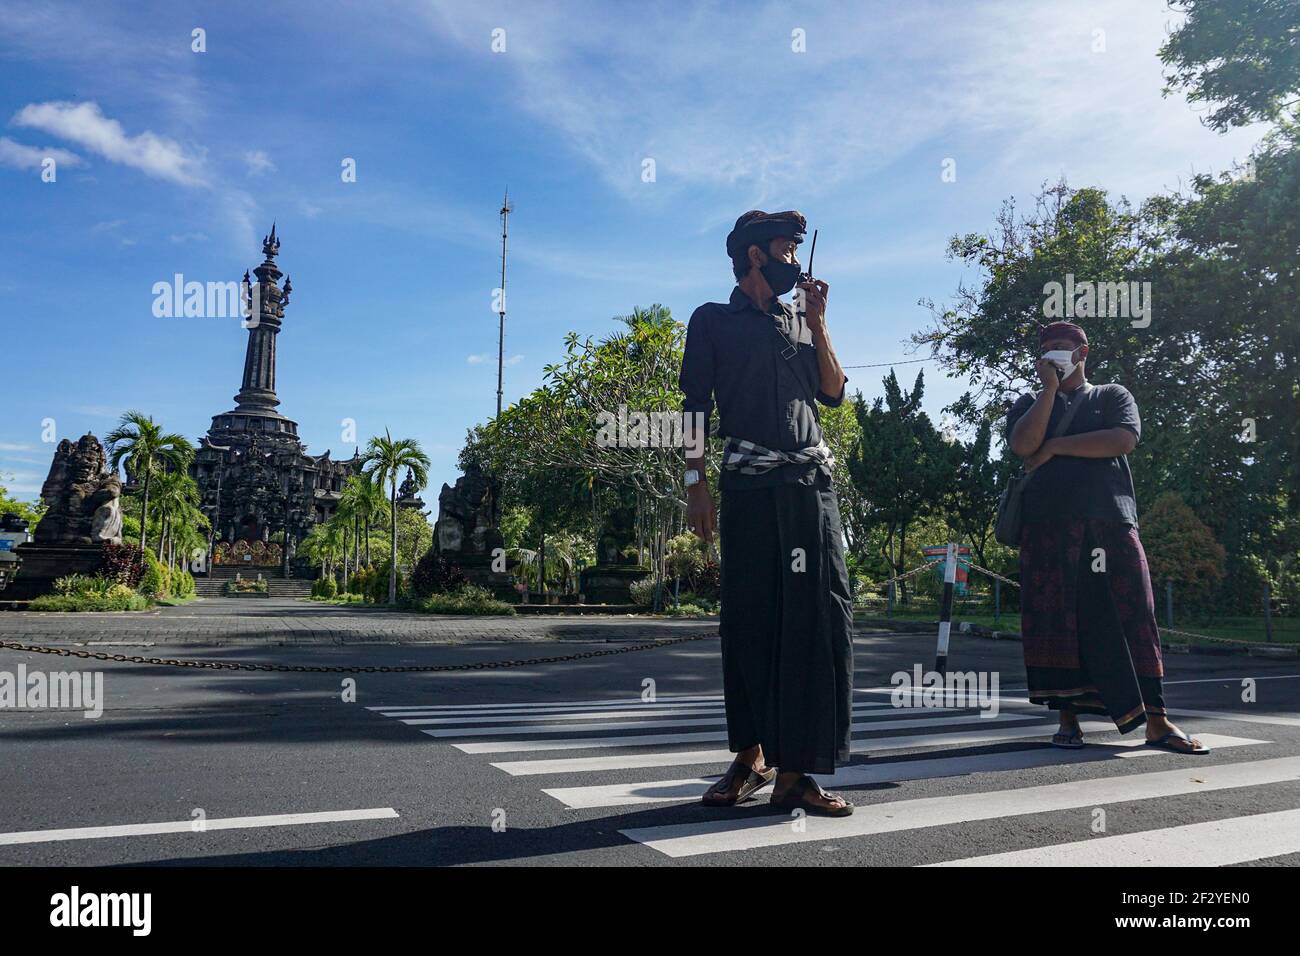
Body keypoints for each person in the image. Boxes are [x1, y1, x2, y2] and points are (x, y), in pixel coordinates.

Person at [679, 209, 857, 816]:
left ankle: (797, 773)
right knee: (751, 620)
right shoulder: (711, 321)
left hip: (810, 487)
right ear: (755, 255)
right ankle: (750, 758)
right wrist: (696, 484)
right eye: (787, 250)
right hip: (749, 488)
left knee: (815, 621)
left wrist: (819, 323)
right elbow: (693, 407)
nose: (796, 262)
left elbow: (832, 393)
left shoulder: (799, 321)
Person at [1006, 321, 1207, 754]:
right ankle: (1067, 720)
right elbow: (1024, 445)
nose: (1054, 354)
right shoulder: (1027, 402)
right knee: (1057, 622)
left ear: (1083, 352)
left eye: (1063, 347)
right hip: (1047, 528)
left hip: (1109, 522)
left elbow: (1122, 439)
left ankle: (1157, 721)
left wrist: (1057, 449)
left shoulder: (1112, 395)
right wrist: (1046, 392)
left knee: (1134, 614)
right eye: (1047, 350)